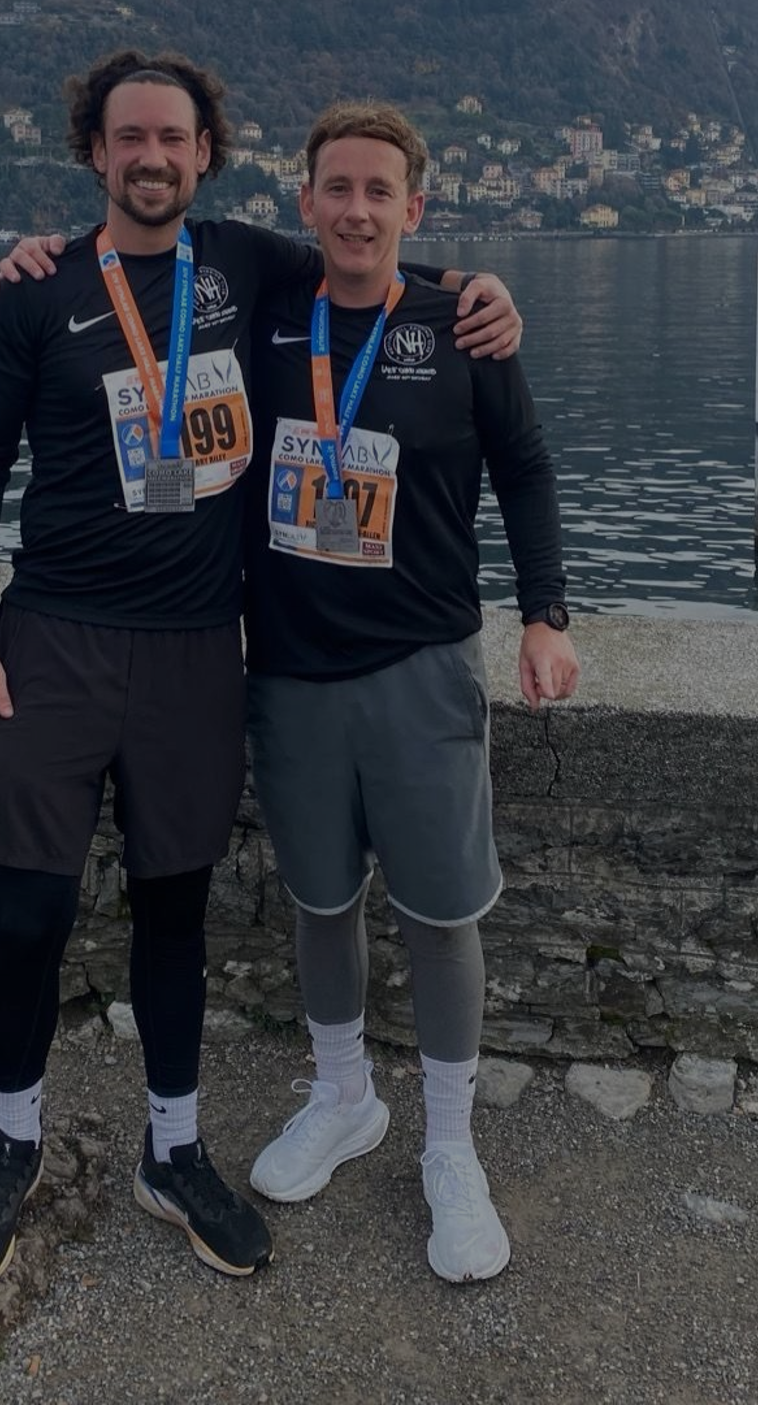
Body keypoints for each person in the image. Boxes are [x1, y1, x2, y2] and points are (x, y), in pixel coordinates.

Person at [0, 48, 520, 1293]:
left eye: (176, 138)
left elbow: (383, 274)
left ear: (207, 153)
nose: (152, 156)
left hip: (201, 643)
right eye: (129, 136)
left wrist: (484, 293)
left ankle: (175, 1148)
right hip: (54, 633)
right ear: (94, 149)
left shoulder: (252, 267)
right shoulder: (34, 292)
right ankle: (11, 1141)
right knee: (29, 908)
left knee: (174, 911)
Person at [241, 100, 579, 1284]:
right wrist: (39, 260)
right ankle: (343, 1095)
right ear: (306, 203)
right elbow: (153, 257)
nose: (356, 209)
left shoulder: (461, 322)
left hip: (425, 664)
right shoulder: (270, 313)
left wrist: (546, 613)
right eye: (336, 187)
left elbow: (528, 469)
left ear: (413, 208)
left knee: (443, 914)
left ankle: (449, 1143)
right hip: (289, 669)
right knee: (321, 900)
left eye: (380, 190)